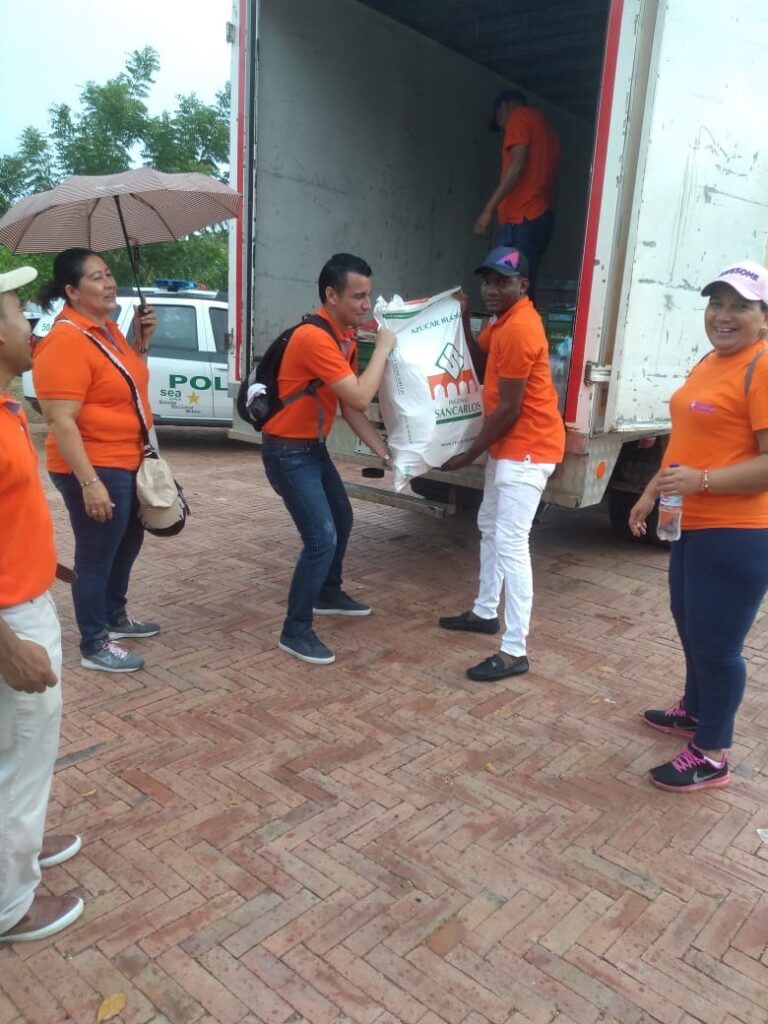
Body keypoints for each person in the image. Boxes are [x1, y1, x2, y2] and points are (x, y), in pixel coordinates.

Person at [630, 259, 768, 793]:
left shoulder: (761, 367)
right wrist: (651, 491)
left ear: (763, 317)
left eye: (740, 306)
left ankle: (712, 753)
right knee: (690, 624)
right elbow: (686, 441)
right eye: (716, 303)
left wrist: (702, 482)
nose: (723, 315)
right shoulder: (711, 360)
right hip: (691, 524)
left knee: (718, 647)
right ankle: (693, 710)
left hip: (738, 532)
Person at [0, 265, 83, 944]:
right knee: (20, 759)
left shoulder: (6, 406)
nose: (30, 324)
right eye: (17, 313)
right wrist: (8, 647)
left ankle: (17, 851)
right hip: (10, 621)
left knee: (21, 754)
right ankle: (10, 903)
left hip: (24, 599)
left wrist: (45, 560)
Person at [262, 253, 396, 666]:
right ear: (331, 295)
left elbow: (351, 409)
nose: (366, 305)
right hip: (287, 451)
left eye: (368, 295)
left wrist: (383, 452)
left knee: (342, 519)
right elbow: (360, 395)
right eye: (358, 296)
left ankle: (327, 592)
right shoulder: (314, 338)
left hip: (311, 448)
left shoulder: (345, 339)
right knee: (321, 539)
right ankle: (295, 630)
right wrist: (383, 348)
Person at [439, 246, 565, 681]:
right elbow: (479, 365)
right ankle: (484, 611)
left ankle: (514, 651)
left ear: (523, 285)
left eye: (502, 282)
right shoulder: (503, 322)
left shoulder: (520, 328)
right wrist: (463, 319)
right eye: (488, 281)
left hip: (527, 449)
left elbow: (509, 409)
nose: (492, 289)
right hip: (511, 447)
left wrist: (468, 455)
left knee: (511, 542)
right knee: (490, 526)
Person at [32, 249, 159, 673]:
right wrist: (90, 483)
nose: (109, 283)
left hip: (126, 458)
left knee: (128, 541)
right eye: (97, 277)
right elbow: (60, 419)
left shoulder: (107, 331)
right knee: (96, 554)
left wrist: (142, 342)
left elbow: (131, 383)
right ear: (72, 291)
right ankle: (94, 644)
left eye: (109, 274)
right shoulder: (65, 340)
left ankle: (113, 615)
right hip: (93, 464)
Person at [473, 88, 560, 301]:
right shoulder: (548, 131)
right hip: (539, 217)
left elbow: (518, 164)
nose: (505, 131)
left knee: (504, 288)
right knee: (523, 289)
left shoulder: (519, 116)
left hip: (520, 219)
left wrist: (488, 210)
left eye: (501, 125)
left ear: (503, 107)